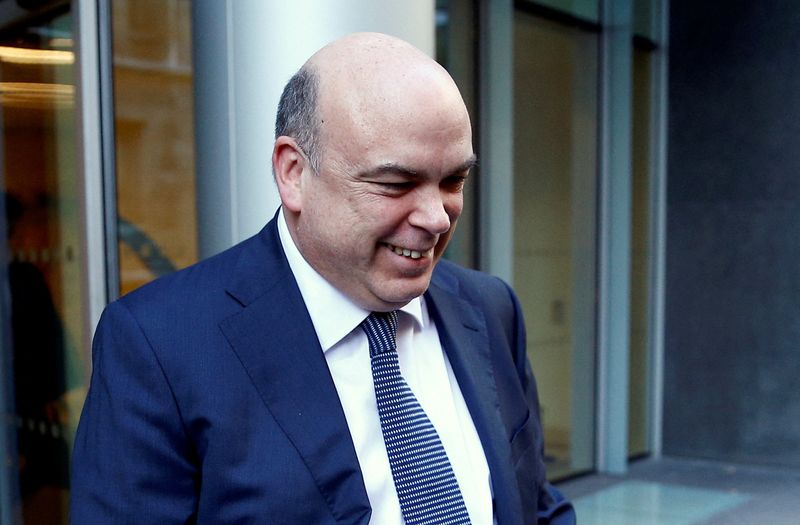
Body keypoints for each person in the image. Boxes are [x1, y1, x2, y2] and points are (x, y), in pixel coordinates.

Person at [71, 32, 575, 524]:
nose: (437, 218)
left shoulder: (490, 308)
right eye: (396, 183)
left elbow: (536, 503)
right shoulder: (159, 345)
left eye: (452, 181)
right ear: (294, 172)